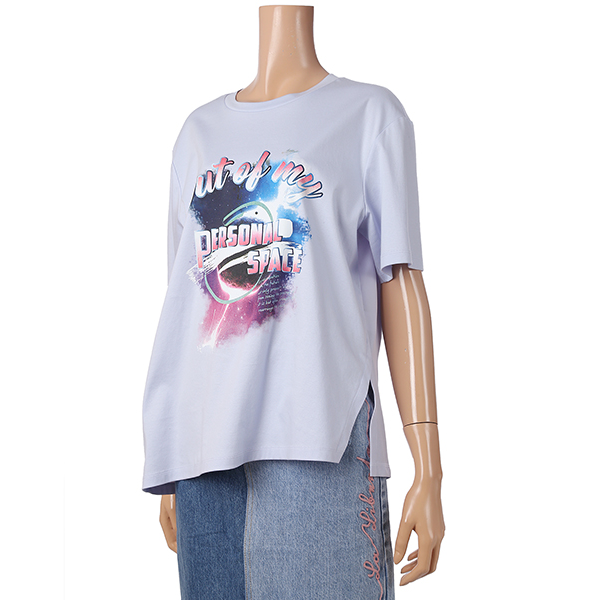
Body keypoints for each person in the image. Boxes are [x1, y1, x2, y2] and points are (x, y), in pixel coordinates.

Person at [143, 5, 445, 599]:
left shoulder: (369, 115)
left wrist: (428, 465)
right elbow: (183, 303)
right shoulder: (197, 133)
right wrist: (174, 456)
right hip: (204, 463)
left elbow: (401, 278)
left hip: (318, 447)